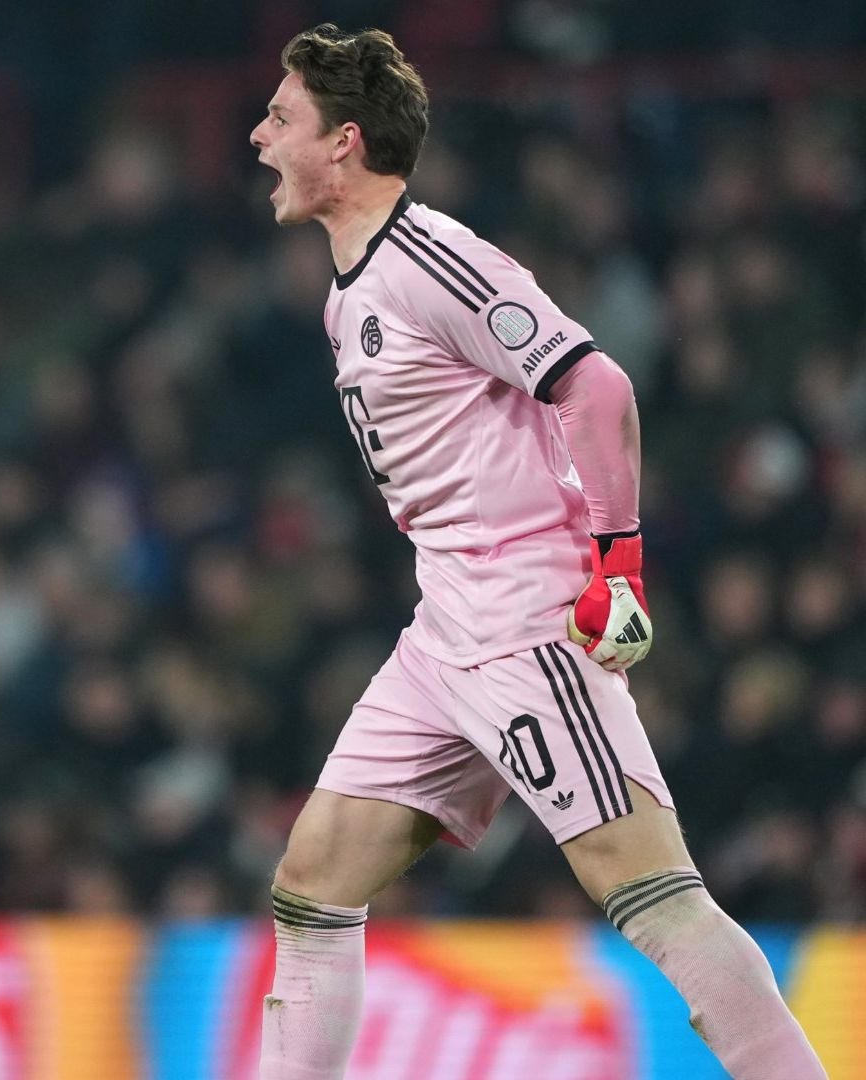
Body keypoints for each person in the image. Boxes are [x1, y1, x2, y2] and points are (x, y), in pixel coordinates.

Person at [248, 24, 827, 1080]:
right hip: (445, 628)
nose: (257, 136)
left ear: (344, 141)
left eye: (281, 117)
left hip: (525, 623)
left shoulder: (433, 260)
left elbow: (595, 386)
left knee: (656, 898)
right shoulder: (347, 294)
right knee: (314, 880)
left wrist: (618, 564)